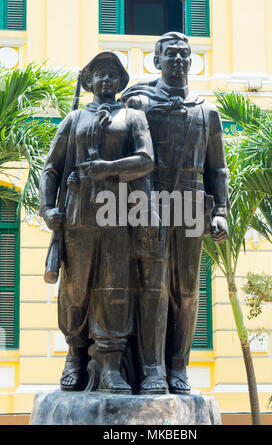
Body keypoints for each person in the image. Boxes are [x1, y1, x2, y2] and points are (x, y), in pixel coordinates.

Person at [39, 51, 154, 394]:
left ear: (121, 82)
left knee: (114, 292)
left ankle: (111, 366)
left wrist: (107, 169)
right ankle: (74, 355)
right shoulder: (73, 120)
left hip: (118, 217)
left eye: (112, 75)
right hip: (76, 219)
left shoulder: (133, 117)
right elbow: (51, 168)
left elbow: (147, 159)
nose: (106, 80)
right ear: (88, 81)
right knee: (74, 293)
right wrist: (47, 210)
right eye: (99, 74)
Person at [122, 32, 229, 395]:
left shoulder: (206, 110)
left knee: (185, 290)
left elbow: (218, 170)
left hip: (192, 204)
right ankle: (151, 369)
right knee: (151, 288)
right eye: (171, 55)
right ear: (157, 62)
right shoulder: (139, 102)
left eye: (185, 54)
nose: (180, 60)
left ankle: (178, 367)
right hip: (147, 204)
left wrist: (223, 212)